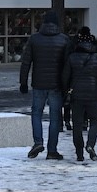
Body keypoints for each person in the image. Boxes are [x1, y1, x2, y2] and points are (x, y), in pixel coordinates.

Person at [19, 10, 72, 160]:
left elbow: (26, 62)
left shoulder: (34, 39)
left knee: (36, 113)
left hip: (38, 83)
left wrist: (23, 82)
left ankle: (38, 142)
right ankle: (52, 150)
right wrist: (68, 86)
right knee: (55, 117)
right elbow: (68, 66)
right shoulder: (64, 40)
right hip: (56, 85)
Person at [63, 30, 97, 162]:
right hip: (93, 94)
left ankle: (79, 153)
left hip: (77, 95)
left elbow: (65, 78)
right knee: (95, 121)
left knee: (77, 125)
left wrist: (65, 92)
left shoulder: (72, 57)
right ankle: (90, 144)